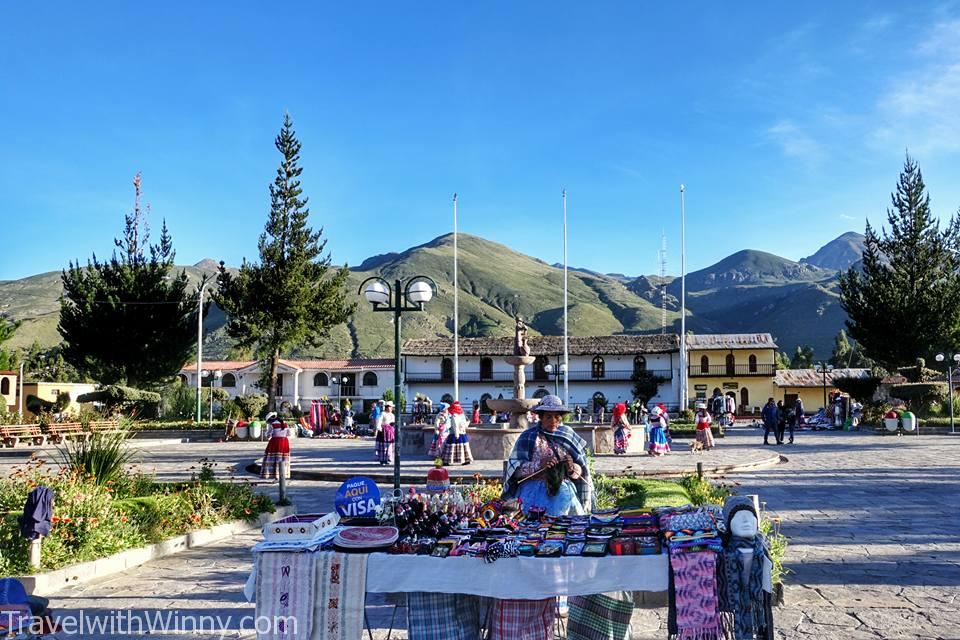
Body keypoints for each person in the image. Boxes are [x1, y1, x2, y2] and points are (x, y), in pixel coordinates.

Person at [499, 394, 593, 639]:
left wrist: (571, 468)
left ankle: (561, 598)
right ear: (539, 417)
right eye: (548, 416)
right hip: (531, 498)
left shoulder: (568, 435)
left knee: (561, 545)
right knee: (531, 544)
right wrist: (538, 465)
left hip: (562, 499)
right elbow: (515, 469)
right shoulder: (528, 437)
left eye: (557, 416)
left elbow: (581, 470)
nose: (553, 420)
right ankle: (531, 593)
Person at [260, 413, 291, 480]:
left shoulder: (272, 425)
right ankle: (283, 474)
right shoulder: (285, 423)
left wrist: (268, 435)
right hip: (284, 442)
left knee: (272, 458)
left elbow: (268, 435)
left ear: (270, 419)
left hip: (275, 442)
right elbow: (289, 433)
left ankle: (272, 473)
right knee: (283, 458)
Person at [441, 401, 473, 465]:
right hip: (462, 433)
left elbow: (455, 425)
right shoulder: (462, 415)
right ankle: (466, 460)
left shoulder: (454, 415)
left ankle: (447, 461)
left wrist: (456, 434)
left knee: (451, 448)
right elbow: (464, 424)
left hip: (454, 433)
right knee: (463, 448)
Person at [375, 400, 396, 465]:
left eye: (392, 407)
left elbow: (393, 422)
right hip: (384, 431)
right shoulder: (383, 413)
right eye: (390, 407)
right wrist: (379, 428)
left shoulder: (392, 415)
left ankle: (388, 458)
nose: (391, 408)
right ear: (387, 407)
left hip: (390, 432)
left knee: (389, 445)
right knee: (383, 445)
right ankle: (382, 459)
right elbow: (379, 421)